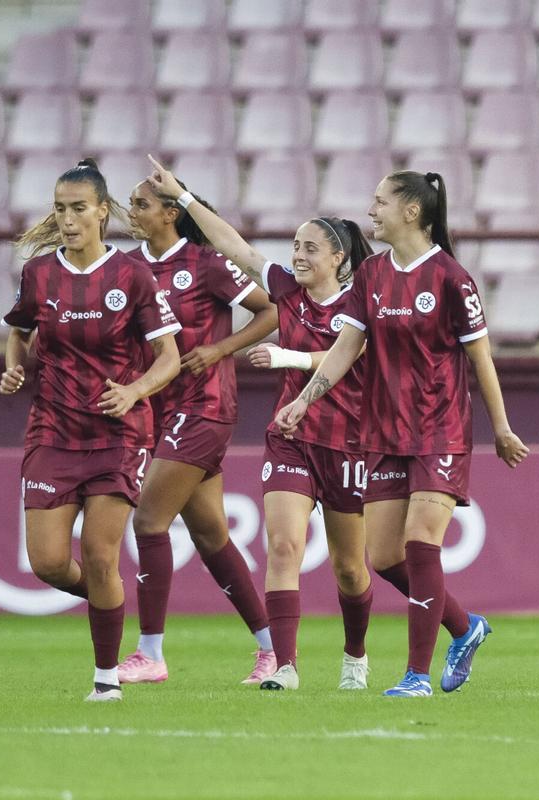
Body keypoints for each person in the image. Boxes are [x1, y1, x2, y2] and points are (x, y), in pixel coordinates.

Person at [275, 170, 529, 697]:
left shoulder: (452, 279)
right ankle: (465, 627)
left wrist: (502, 427)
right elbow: (346, 347)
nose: (371, 210)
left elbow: (481, 358)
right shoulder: (371, 274)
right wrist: (303, 400)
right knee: (385, 557)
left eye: (380, 201)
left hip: (440, 431)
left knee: (419, 544)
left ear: (412, 211)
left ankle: (416, 676)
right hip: (384, 434)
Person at [147, 156, 376, 692]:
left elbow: (351, 358)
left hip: (348, 443)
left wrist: (288, 358)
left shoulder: (362, 303)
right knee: (283, 547)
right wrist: (183, 198)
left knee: (350, 569)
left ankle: (355, 655)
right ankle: (285, 665)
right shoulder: (287, 291)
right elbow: (235, 247)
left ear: (338, 258)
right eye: (295, 246)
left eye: (309, 248)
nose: (297, 255)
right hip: (290, 438)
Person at [1, 158, 181, 702]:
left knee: (102, 556)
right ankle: (109, 600)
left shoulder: (132, 275)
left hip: (119, 435)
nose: (68, 218)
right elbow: (19, 332)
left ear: (103, 212)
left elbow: (169, 357)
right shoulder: (39, 274)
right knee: (49, 563)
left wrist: (134, 391)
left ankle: (105, 681)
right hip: (52, 432)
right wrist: (13, 367)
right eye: (60, 209)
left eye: (78, 208)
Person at [115, 177, 281, 686]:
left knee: (149, 521)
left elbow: (271, 309)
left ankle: (150, 653)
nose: (131, 211)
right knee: (211, 536)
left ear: (171, 213)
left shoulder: (206, 263)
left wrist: (219, 349)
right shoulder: (127, 268)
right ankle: (273, 648)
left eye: (141, 204)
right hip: (158, 410)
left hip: (205, 406)